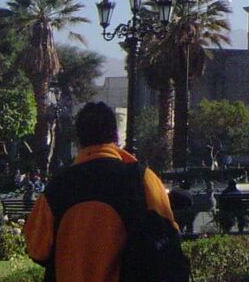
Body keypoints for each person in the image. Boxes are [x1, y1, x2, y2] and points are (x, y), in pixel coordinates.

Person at [24, 102, 179, 282]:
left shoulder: (57, 187)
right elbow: (169, 240)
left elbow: (37, 249)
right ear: (115, 137)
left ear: (79, 140)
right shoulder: (141, 179)